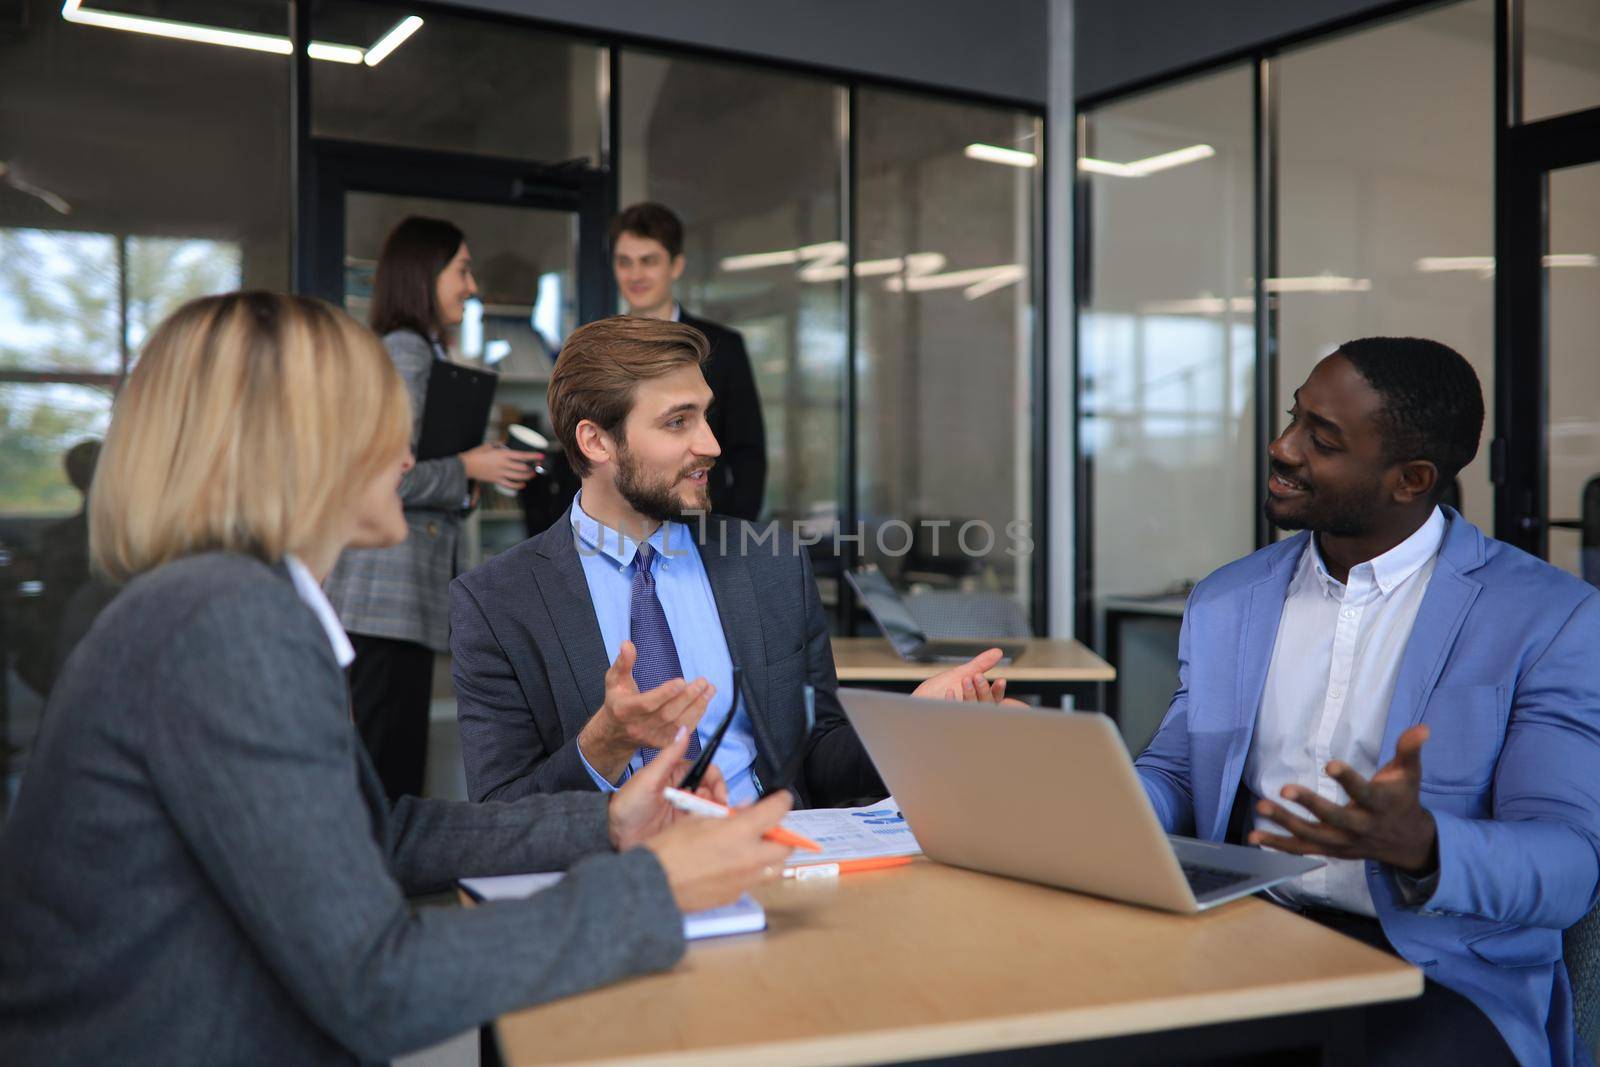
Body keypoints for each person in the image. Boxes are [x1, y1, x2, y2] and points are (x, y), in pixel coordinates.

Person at [0, 292, 793, 1067]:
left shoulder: (215, 603)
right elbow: (374, 981)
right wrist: (654, 889)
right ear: (296, 450)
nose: (410, 458)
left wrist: (612, 823)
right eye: (382, 429)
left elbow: (380, 834)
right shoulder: (226, 623)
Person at [1134, 338, 1600, 1067]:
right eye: (1295, 418)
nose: (1281, 447)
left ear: (1410, 479)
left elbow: (1568, 866)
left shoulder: (1549, 618)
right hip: (1245, 932)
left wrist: (1423, 844)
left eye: (1321, 439)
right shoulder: (1230, 597)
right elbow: (1180, 775)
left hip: (1436, 971)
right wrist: (1090, 795)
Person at [451, 315, 1010, 809]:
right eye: (678, 422)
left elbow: (812, 756)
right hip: (621, 886)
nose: (713, 445)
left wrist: (911, 726)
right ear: (596, 442)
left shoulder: (770, 564)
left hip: (775, 863)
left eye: (706, 417)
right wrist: (605, 744)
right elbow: (502, 812)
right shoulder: (497, 601)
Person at [325, 216, 537, 802]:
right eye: (462, 270)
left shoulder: (411, 352)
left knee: (391, 763)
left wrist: (468, 477)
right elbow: (379, 475)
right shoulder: (405, 354)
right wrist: (469, 469)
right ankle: (380, 889)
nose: (471, 287)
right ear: (425, 275)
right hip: (383, 600)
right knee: (388, 771)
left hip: (394, 601)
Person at [611, 201, 767, 520]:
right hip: (620, 522)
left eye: (648, 261)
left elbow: (748, 452)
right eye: (624, 262)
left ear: (676, 265)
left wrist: (734, 535)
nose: (635, 274)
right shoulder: (603, 349)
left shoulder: (724, 346)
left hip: (703, 519)